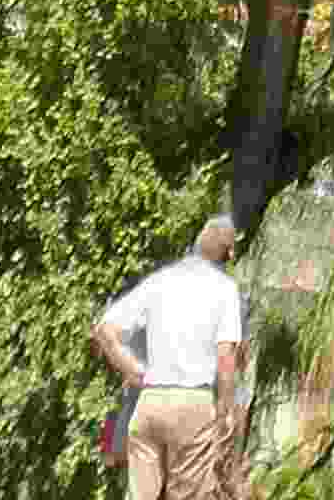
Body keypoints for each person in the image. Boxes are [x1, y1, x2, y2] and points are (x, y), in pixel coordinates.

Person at [91, 212, 246, 499]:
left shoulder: (161, 280)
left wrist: (131, 370)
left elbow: (104, 330)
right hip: (193, 406)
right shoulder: (225, 289)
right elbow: (225, 358)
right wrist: (226, 412)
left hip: (150, 403)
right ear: (228, 253)